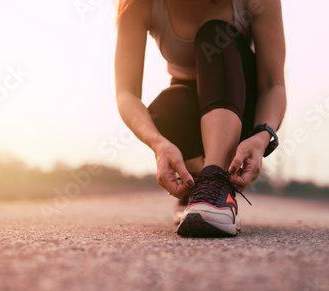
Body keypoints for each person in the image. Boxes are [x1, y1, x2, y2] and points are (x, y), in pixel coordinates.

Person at [114, 0, 286, 237]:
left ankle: (217, 186)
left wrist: (261, 136)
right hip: (189, 107)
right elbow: (126, 94)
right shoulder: (137, 4)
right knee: (164, 109)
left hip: (242, 110)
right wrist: (158, 144)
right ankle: (198, 185)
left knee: (215, 34)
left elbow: (273, 86)